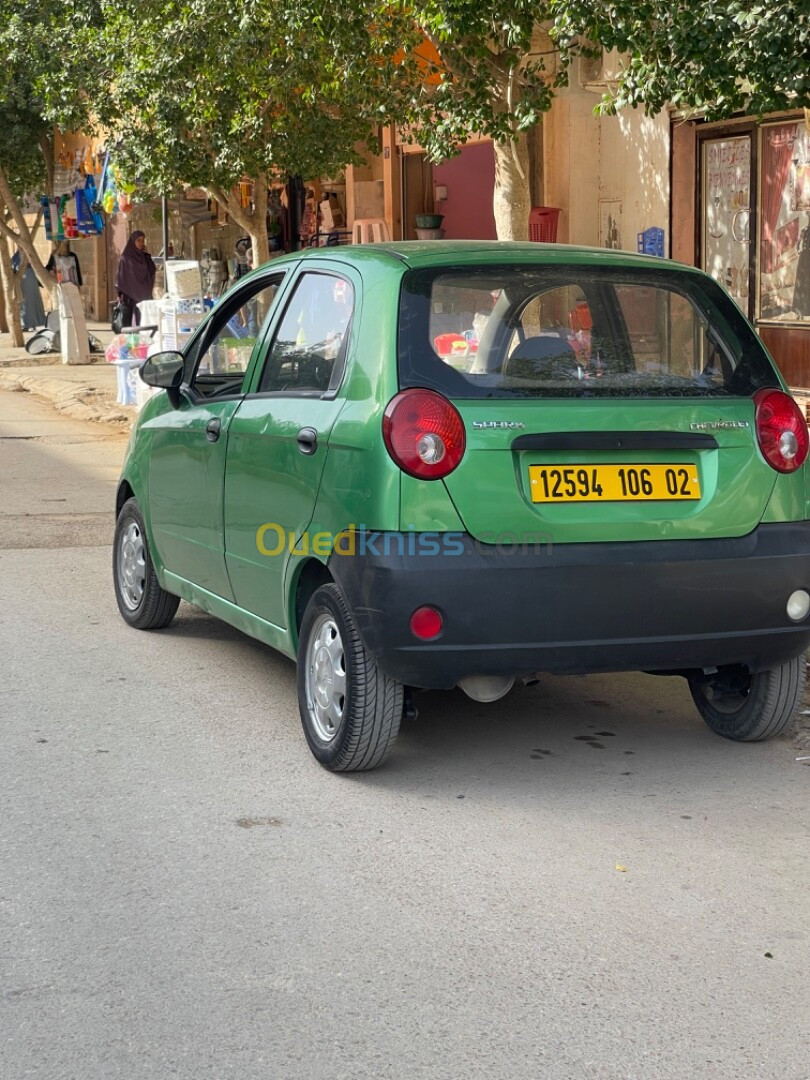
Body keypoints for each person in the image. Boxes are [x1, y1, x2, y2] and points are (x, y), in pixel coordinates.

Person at [115, 231, 156, 326]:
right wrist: (119, 294)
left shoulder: (144, 257)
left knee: (142, 322)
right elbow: (120, 277)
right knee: (128, 322)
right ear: (133, 241)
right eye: (139, 240)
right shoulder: (125, 257)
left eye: (143, 240)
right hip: (129, 295)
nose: (141, 243)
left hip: (143, 294)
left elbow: (152, 270)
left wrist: (147, 255)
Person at [11, 250, 46, 331]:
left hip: (30, 279)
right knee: (24, 302)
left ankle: (32, 323)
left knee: (31, 301)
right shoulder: (16, 256)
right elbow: (12, 267)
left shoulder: (29, 252)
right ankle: (27, 324)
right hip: (22, 281)